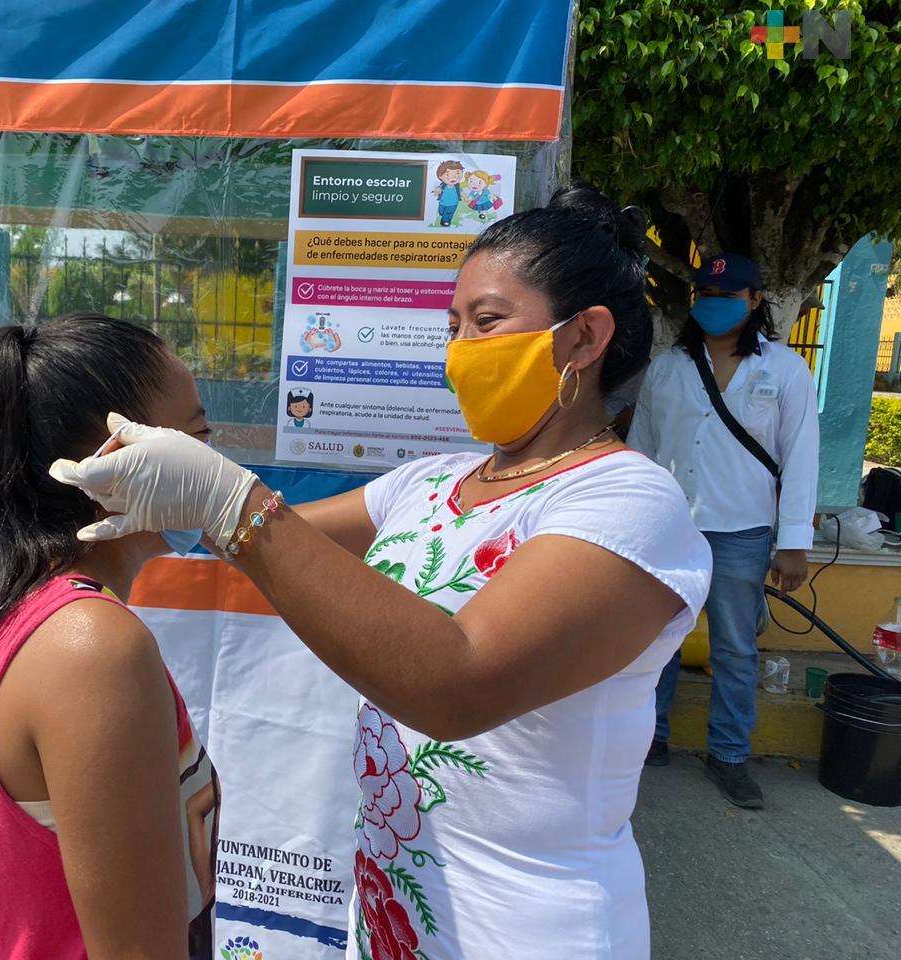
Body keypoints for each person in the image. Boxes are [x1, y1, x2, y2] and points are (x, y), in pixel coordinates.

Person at [52, 184, 713, 960]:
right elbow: (276, 548)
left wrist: (231, 504)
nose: (461, 349)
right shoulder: (430, 483)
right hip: (394, 914)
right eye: (454, 326)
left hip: (528, 928)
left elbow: (457, 684)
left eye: (488, 323)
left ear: (584, 338)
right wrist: (162, 504)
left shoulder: (627, 503)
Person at [0, 315, 220, 959]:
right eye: (198, 438)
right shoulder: (89, 646)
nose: (214, 463)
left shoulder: (7, 615)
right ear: (120, 462)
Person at [628, 254, 819, 809]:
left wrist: (793, 543)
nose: (714, 303)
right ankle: (650, 741)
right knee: (655, 642)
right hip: (667, 527)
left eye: (729, 294)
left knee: (736, 649)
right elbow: (641, 448)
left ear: (755, 300)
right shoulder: (667, 367)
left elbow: (802, 456)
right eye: (706, 293)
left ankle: (729, 756)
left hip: (742, 531)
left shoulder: (785, 370)